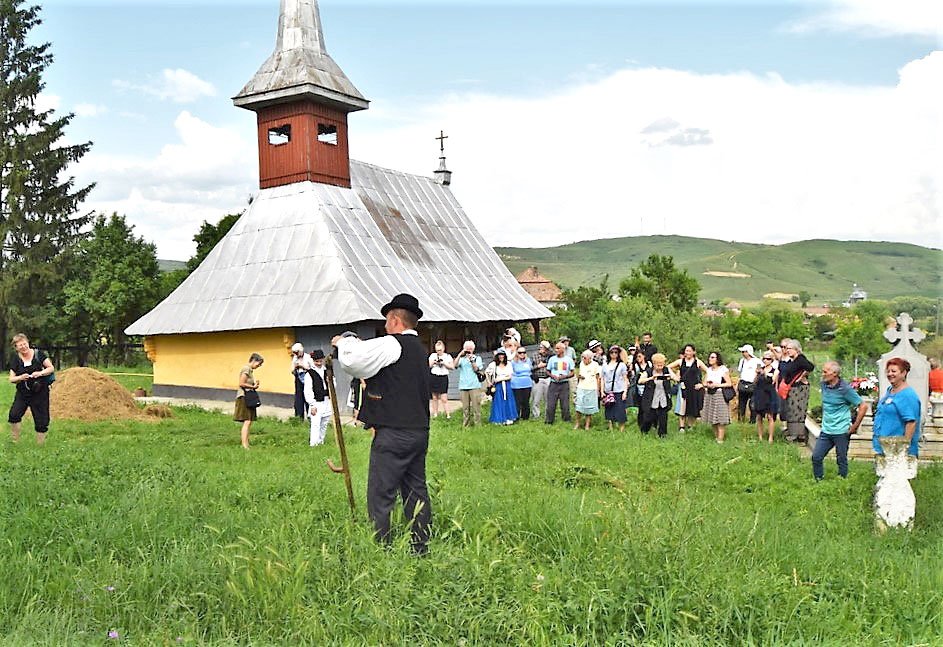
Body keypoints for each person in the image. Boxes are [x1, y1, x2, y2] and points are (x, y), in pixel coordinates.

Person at [333, 293, 432, 554]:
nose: (385, 327)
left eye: (387, 321)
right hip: (419, 431)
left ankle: (381, 549)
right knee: (416, 490)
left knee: (381, 492)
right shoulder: (420, 350)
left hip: (394, 433)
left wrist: (345, 341)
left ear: (395, 319)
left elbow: (353, 361)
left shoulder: (393, 345)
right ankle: (420, 547)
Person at [812, 361, 868, 480]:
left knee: (841, 459)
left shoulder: (845, 389)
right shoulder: (823, 385)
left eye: (825, 372)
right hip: (826, 430)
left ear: (835, 374)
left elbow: (863, 406)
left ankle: (842, 481)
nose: (822, 374)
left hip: (842, 431)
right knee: (816, 457)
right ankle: (818, 480)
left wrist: (854, 426)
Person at [7, 333, 55, 445]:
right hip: (23, 393)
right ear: (16, 348)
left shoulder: (39, 354)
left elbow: (51, 368)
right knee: (14, 415)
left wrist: (40, 373)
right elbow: (11, 379)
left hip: (40, 392)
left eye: (24, 344)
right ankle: (15, 441)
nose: (23, 347)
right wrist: (21, 377)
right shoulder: (15, 359)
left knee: (41, 420)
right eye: (20, 345)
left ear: (28, 343)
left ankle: (40, 445)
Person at [872, 357, 922, 458]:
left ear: (903, 373)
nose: (890, 374)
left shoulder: (908, 395)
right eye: (888, 371)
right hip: (885, 447)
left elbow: (911, 423)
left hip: (898, 451)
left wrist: (904, 449)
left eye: (894, 371)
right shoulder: (890, 390)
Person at [779, 339, 815, 442]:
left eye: (790, 348)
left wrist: (803, 376)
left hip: (799, 389)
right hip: (792, 388)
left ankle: (798, 434)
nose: (787, 350)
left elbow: (810, 367)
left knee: (797, 410)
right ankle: (792, 431)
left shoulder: (800, 359)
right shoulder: (793, 360)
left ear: (796, 349)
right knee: (791, 409)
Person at [669, 344, 706, 433]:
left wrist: (702, 384)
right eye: (686, 351)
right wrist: (674, 377)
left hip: (694, 387)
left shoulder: (698, 362)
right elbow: (667, 367)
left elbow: (708, 371)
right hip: (683, 387)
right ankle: (681, 426)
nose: (688, 353)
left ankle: (690, 425)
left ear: (694, 352)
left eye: (689, 351)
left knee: (692, 406)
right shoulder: (680, 361)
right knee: (682, 406)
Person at [638, 353, 677, 437]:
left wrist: (671, 377)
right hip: (651, 398)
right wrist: (651, 378)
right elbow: (640, 381)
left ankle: (662, 434)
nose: (660, 367)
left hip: (663, 397)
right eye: (658, 365)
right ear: (653, 364)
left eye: (662, 365)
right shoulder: (649, 371)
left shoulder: (666, 370)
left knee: (663, 417)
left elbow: (676, 378)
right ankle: (644, 431)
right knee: (649, 417)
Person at [234, 353, 264, 449]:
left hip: (247, 396)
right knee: (247, 421)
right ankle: (244, 444)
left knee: (249, 421)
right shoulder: (246, 369)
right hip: (244, 397)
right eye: (258, 364)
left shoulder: (250, 370)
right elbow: (241, 383)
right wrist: (253, 386)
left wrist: (254, 384)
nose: (258, 366)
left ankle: (246, 443)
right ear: (254, 360)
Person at [702, 351, 733, 443]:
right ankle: (716, 437)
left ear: (717, 359)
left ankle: (720, 439)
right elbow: (704, 382)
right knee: (712, 417)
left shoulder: (722, 369)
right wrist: (707, 384)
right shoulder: (709, 369)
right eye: (710, 357)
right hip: (709, 393)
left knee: (720, 417)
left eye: (712, 357)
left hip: (719, 394)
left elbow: (729, 383)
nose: (710, 359)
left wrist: (717, 385)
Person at [305, 349, 333, 446]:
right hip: (316, 401)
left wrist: (330, 381)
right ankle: (314, 444)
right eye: (317, 361)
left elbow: (334, 385)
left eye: (321, 361)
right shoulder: (310, 373)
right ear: (313, 361)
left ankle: (321, 441)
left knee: (324, 422)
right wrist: (312, 404)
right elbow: (308, 390)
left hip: (326, 400)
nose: (319, 363)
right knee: (316, 423)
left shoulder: (327, 371)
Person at [752, 351, 779, 443]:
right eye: (764, 358)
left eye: (768, 359)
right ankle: (760, 436)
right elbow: (754, 382)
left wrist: (765, 374)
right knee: (759, 416)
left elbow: (772, 381)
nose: (766, 360)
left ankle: (770, 437)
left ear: (772, 360)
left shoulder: (775, 370)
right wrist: (757, 374)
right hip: (759, 394)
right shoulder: (760, 369)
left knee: (770, 416)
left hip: (769, 394)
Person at [455, 341, 484, 427]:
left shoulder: (477, 358)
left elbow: (476, 369)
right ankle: (465, 425)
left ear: (473, 349)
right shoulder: (462, 359)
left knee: (476, 407)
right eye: (467, 349)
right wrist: (460, 354)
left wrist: (472, 361)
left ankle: (477, 424)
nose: (468, 351)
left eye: (470, 349)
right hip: (463, 386)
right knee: (465, 408)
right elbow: (454, 365)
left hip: (474, 385)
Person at [545, 342, 575, 424]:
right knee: (551, 404)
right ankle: (549, 421)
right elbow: (547, 371)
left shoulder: (568, 360)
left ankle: (566, 420)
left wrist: (564, 376)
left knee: (565, 404)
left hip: (564, 384)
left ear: (563, 349)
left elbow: (572, 373)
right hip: (553, 384)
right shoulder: (552, 359)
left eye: (558, 348)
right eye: (555, 348)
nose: (556, 350)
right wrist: (552, 376)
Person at [602, 345, 629, 432]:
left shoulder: (621, 365)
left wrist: (625, 392)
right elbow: (602, 378)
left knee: (620, 409)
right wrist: (601, 391)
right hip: (608, 390)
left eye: (616, 352)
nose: (613, 354)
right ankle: (611, 428)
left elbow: (625, 379)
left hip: (619, 389)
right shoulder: (605, 365)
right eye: (611, 352)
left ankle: (621, 428)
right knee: (609, 409)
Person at [574, 349, 602, 430]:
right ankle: (577, 423)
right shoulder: (581, 364)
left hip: (591, 388)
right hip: (581, 387)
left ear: (590, 358)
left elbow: (598, 378)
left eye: (585, 358)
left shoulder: (595, 365)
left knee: (588, 408)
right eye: (582, 357)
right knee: (578, 406)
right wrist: (579, 377)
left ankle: (587, 425)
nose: (583, 359)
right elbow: (579, 373)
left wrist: (598, 389)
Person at [488, 350, 518, 425]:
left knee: (508, 400)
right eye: (499, 355)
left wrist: (500, 379)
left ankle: (509, 418)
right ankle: (499, 418)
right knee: (498, 401)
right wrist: (489, 382)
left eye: (502, 355)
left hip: (507, 385)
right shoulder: (494, 364)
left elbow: (510, 376)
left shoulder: (508, 364)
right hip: (498, 386)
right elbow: (487, 372)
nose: (501, 357)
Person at [428, 340, 454, 420]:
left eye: (440, 350)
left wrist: (444, 363)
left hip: (443, 377)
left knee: (444, 398)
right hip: (434, 376)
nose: (438, 352)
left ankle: (448, 414)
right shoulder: (433, 355)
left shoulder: (447, 356)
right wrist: (434, 362)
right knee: (434, 397)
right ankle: (435, 413)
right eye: (437, 350)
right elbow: (428, 365)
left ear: (443, 349)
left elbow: (452, 367)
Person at [736, 344, 763, 423]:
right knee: (741, 404)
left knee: (753, 404)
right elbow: (740, 372)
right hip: (743, 383)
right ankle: (741, 420)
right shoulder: (742, 361)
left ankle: (752, 420)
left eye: (744, 351)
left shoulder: (757, 361)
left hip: (753, 384)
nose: (743, 353)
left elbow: (759, 372)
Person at [629, 349, 652, 430]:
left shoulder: (649, 364)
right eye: (637, 357)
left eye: (640, 356)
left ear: (644, 356)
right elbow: (632, 375)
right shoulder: (635, 366)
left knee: (649, 406)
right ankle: (641, 424)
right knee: (641, 407)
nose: (638, 358)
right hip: (639, 389)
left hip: (649, 388)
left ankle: (650, 423)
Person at [290, 342, 313, 420]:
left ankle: (310, 417)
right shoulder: (295, 358)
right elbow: (292, 370)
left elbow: (312, 369)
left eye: (297, 352)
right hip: (298, 378)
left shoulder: (308, 357)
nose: (296, 354)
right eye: (295, 353)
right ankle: (299, 418)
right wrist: (295, 368)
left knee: (308, 397)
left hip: (307, 378)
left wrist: (302, 366)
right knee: (298, 399)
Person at [530, 341, 552, 418]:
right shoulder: (534, 355)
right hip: (538, 379)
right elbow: (530, 368)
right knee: (536, 399)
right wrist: (538, 366)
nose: (541, 349)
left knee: (548, 398)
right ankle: (536, 414)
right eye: (540, 347)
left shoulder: (550, 356)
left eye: (543, 348)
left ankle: (548, 414)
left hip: (548, 378)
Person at [510, 346, 534, 420]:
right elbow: (511, 372)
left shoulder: (528, 360)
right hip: (517, 384)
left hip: (527, 383)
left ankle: (525, 416)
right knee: (518, 401)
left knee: (526, 401)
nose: (522, 354)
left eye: (524, 352)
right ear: (517, 353)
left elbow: (530, 370)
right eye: (520, 352)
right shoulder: (513, 362)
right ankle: (516, 416)